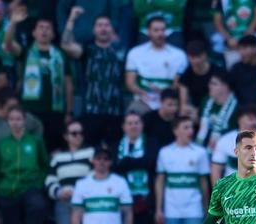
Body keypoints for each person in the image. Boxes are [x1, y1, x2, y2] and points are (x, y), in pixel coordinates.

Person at [0, 106, 48, 224]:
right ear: (7, 121)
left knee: (38, 206)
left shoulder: (36, 141)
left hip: (30, 186)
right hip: (7, 190)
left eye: (18, 119)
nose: (15, 122)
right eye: (11, 119)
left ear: (24, 120)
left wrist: (38, 183)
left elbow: (44, 164)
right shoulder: (2, 144)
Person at [61, 10, 124, 149]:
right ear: (94, 30)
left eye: (106, 25)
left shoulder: (120, 51)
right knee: (90, 151)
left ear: (112, 29)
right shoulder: (86, 49)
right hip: (91, 111)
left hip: (115, 112)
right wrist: (71, 19)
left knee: (113, 152)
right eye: (99, 25)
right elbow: (65, 44)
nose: (103, 28)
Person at [155, 116, 210, 224]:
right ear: (175, 131)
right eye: (185, 127)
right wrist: (159, 208)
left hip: (194, 208)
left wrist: (206, 207)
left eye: (191, 127)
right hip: (171, 209)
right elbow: (160, 181)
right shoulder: (165, 152)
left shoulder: (200, 152)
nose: (190, 131)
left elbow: (203, 182)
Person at [19, 18, 74, 153]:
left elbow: (68, 84)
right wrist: (13, 23)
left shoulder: (60, 55)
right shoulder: (26, 52)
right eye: (41, 27)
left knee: (54, 148)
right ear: (34, 33)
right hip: (30, 109)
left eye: (48, 28)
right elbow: (8, 45)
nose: (44, 31)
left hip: (55, 110)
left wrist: (69, 112)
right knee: (31, 147)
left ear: (53, 34)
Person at [45, 121, 94, 224]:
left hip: (85, 202)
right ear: (66, 136)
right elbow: (50, 180)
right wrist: (58, 192)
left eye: (81, 133)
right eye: (74, 133)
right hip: (64, 201)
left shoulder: (91, 153)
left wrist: (78, 191)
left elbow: (94, 176)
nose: (78, 136)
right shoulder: (57, 157)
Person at [125, 16, 187, 114]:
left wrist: (165, 94)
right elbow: (130, 83)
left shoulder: (179, 55)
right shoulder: (135, 53)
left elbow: (180, 83)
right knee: (132, 117)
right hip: (143, 100)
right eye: (156, 30)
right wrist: (142, 93)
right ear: (148, 32)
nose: (160, 34)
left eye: (163, 30)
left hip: (170, 101)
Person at [114, 111, 154, 224]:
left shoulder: (151, 143)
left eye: (136, 123)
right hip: (122, 201)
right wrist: (137, 162)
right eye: (129, 123)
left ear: (142, 125)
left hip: (145, 200)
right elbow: (115, 168)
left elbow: (150, 162)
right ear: (123, 127)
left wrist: (126, 162)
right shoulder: (116, 145)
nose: (133, 126)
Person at [211, 105, 256, 184]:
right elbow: (216, 169)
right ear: (239, 120)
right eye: (250, 119)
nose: (255, 122)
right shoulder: (225, 140)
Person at [0, 89, 44, 154]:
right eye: (10, 107)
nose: (13, 110)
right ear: (0, 105)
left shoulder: (24, 116)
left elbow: (37, 126)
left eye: (16, 106)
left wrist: (34, 144)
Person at [178, 40, 226, 119]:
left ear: (205, 55)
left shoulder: (218, 72)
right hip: (196, 112)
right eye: (193, 57)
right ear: (188, 57)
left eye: (199, 56)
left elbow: (224, 96)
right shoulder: (186, 76)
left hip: (218, 108)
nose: (196, 61)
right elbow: (184, 104)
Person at [195, 71, 238, 149]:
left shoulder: (236, 107)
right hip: (201, 145)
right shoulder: (205, 101)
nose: (209, 86)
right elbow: (199, 123)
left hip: (224, 147)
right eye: (210, 83)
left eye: (214, 84)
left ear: (225, 87)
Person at [229, 34, 256, 104]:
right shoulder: (236, 69)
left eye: (244, 48)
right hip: (245, 107)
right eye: (240, 49)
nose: (242, 52)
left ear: (255, 48)